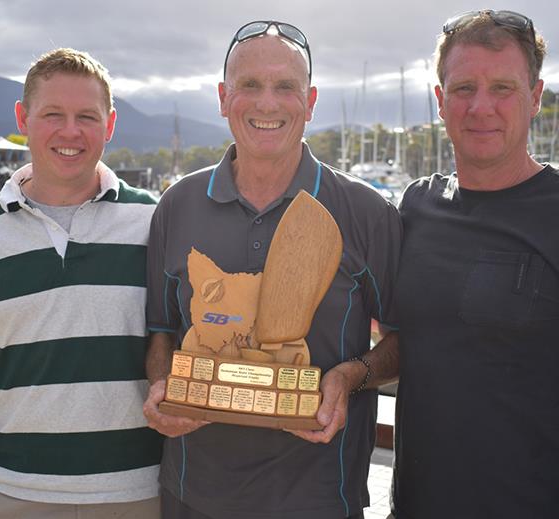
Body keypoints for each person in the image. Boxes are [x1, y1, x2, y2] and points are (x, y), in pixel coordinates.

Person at [391, 10, 559, 518]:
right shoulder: (416, 207)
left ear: (535, 97)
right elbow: (409, 341)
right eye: (464, 87)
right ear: (440, 100)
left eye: (503, 88)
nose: (481, 106)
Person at [143, 21, 402, 519]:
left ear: (311, 102)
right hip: (191, 496)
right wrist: (160, 387)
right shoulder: (177, 205)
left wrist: (351, 377)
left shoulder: (367, 212)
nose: (267, 103)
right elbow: (159, 332)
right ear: (223, 97)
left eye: (286, 86)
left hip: (322, 499)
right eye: (250, 85)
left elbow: (403, 339)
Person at [0, 48, 163, 518]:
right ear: (23, 118)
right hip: (8, 496)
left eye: (86, 117)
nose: (70, 131)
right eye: (53, 114)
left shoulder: (155, 222)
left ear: (109, 125)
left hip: (138, 496)